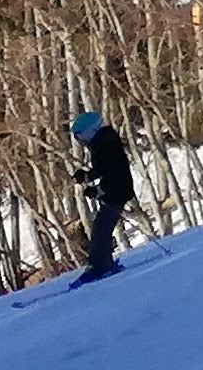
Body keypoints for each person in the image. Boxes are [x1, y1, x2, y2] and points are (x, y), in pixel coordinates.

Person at [71, 108, 134, 282]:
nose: (80, 141)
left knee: (100, 230)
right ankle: (103, 264)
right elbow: (103, 169)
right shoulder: (105, 141)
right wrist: (87, 178)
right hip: (117, 190)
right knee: (101, 228)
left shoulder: (102, 145)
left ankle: (99, 267)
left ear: (89, 132)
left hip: (116, 191)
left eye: (80, 136)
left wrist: (98, 190)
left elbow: (110, 171)